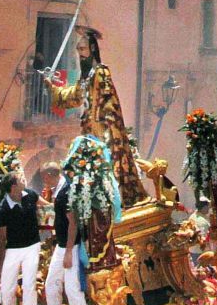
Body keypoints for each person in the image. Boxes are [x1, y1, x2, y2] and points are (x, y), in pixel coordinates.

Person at [50, 27, 147, 205]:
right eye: (78, 50)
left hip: (103, 130)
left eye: (83, 49)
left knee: (108, 168)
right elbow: (75, 97)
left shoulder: (101, 72)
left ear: (93, 49)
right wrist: (54, 88)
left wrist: (109, 134)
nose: (80, 54)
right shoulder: (85, 77)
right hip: (89, 130)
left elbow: (111, 105)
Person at [45, 158, 94, 305]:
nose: (44, 181)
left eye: (44, 177)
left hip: (69, 247)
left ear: (50, 175)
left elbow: (72, 222)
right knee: (51, 284)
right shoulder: (59, 190)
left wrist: (68, 252)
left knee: (73, 290)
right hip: (62, 245)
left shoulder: (66, 192)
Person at [0, 170, 43, 305]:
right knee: (7, 288)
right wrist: (0, 265)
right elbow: (2, 239)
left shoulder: (29, 195)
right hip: (13, 249)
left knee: (29, 285)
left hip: (32, 246)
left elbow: (46, 204)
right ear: (13, 186)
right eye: (21, 179)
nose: (25, 179)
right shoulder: (3, 210)